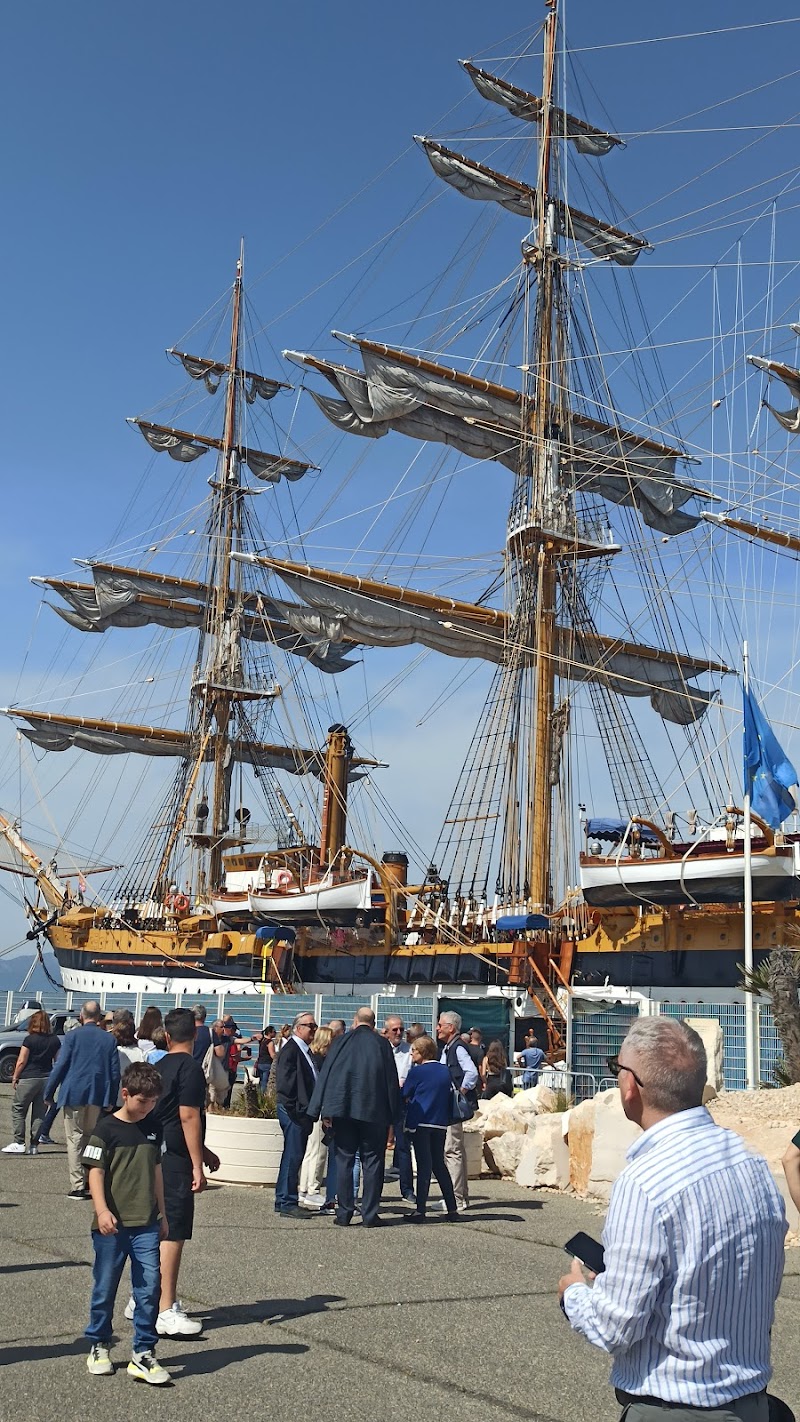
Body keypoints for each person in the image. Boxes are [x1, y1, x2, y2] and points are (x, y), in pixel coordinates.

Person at [558, 1018, 787, 1421]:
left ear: (630, 1086)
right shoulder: (751, 1163)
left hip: (674, 1408)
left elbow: (614, 1327)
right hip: (751, 1405)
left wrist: (573, 1293)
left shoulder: (644, 1182)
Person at [83, 1061, 170, 1386]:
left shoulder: (154, 1128)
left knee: (149, 1287)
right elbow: (95, 1173)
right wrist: (102, 1210)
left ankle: (143, 1352)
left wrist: (163, 1213)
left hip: (146, 1223)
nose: (147, 1107)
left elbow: (157, 1171)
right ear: (125, 1094)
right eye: (142, 1101)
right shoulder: (105, 1129)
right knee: (105, 1288)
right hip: (112, 1227)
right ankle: (99, 1344)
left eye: (153, 1102)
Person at [148, 1007, 220, 1337]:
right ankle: (165, 1308)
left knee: (154, 1228)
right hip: (175, 1159)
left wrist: (203, 1151)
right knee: (173, 1231)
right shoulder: (190, 1068)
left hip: (156, 1152)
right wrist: (196, 1164)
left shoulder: (159, 1065)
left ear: (166, 1036)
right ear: (194, 1034)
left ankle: (144, 1297)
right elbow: (188, 1116)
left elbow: (163, 1114)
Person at [308, 1007, 400, 1228]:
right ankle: (369, 1215)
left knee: (344, 1161)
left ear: (355, 1021)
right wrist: (395, 1116)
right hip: (374, 1112)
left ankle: (344, 1212)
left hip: (343, 1110)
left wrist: (320, 1109)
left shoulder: (341, 1042)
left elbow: (327, 1075)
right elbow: (390, 1080)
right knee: (373, 1162)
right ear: (374, 1024)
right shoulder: (382, 1044)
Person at [43, 1000, 120, 1200]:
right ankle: (89, 1179)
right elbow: (114, 1072)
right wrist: (111, 1098)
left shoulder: (72, 1036)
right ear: (99, 1017)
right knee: (90, 1137)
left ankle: (77, 1185)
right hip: (97, 1094)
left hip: (74, 1092)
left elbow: (61, 1065)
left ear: (81, 1015)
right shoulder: (109, 1039)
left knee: (74, 1138)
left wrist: (49, 1092)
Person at [401, 1034, 458, 1223]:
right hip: (440, 1122)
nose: (411, 1054)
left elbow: (405, 1093)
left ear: (422, 1052)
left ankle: (420, 1210)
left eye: (414, 1050)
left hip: (421, 1122)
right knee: (439, 1165)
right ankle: (452, 1208)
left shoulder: (417, 1072)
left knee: (424, 1166)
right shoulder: (444, 1070)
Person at [274, 1010, 318, 1217]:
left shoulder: (304, 1050)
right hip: (294, 1112)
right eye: (310, 1026)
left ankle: (283, 1198)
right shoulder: (291, 1050)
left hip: (301, 1111)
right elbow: (285, 1084)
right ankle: (287, 1201)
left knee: (293, 1155)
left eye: (315, 1026)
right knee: (293, 1156)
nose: (314, 1029)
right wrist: (296, 1109)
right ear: (298, 1028)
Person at [435, 1010, 478, 1214]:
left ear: (450, 1028)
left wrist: (460, 1092)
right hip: (448, 1106)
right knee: (454, 1149)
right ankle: (459, 1196)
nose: (437, 1028)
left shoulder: (457, 1048)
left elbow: (471, 1072)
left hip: (452, 1106)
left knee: (452, 1150)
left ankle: (456, 1199)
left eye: (440, 1025)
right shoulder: (450, 1047)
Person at [4, 1009, 61, 1155]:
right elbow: (57, 1061)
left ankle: (19, 1142)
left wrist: (15, 1076)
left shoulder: (29, 1039)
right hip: (46, 1078)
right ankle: (34, 1145)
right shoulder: (55, 1040)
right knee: (39, 1113)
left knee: (19, 1109)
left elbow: (21, 1060)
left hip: (29, 1078)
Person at [299, 1025, 333, 1208]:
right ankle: (313, 1190)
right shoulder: (323, 1061)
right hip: (320, 1109)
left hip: (311, 1109)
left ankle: (304, 1188)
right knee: (319, 1152)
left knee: (310, 1151)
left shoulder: (312, 1058)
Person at [384, 1014, 414, 1205]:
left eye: (401, 1029)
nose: (398, 1033)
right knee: (377, 1146)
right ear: (386, 1031)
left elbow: (412, 1073)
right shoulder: (380, 1049)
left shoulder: (409, 1050)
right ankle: (374, 1190)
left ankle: (407, 1189)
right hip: (382, 1101)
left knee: (403, 1147)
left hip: (402, 1101)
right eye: (394, 1029)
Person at [254, 1024, 277, 1090]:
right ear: (270, 1033)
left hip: (260, 1063)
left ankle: (259, 1094)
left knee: (261, 1082)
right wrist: (278, 1059)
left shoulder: (262, 1040)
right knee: (265, 1083)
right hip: (267, 1064)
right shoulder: (270, 1042)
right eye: (274, 1032)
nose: (275, 1033)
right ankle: (263, 1095)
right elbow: (272, 1054)